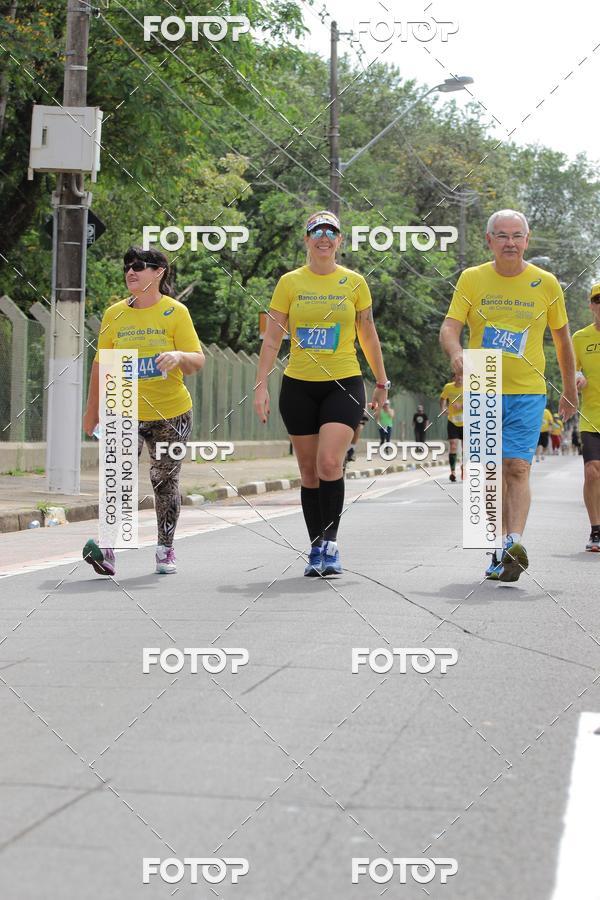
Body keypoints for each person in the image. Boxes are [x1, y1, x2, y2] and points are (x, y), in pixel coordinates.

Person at [440, 209, 577, 582]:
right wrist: (456, 352)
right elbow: (450, 327)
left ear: (527, 240)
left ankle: (513, 543)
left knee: (517, 467)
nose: (510, 243)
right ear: (489, 240)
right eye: (502, 236)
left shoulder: (546, 283)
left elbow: (563, 341)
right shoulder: (472, 278)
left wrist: (568, 390)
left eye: (517, 236)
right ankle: (497, 549)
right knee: (488, 473)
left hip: (528, 388)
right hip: (483, 380)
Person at [253, 210, 389, 577]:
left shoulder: (355, 283)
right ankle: (315, 547)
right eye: (317, 231)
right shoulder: (290, 282)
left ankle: (331, 544)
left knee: (330, 463)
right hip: (298, 385)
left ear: (340, 241)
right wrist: (261, 385)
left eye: (331, 231)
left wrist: (381, 381)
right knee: (309, 472)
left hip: (343, 382)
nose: (324, 237)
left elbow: (368, 334)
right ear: (307, 239)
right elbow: (272, 338)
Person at [82, 247, 205, 576]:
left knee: (164, 481)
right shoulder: (114, 314)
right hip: (123, 407)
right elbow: (101, 364)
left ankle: (165, 548)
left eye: (138, 266)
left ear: (159, 272)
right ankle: (108, 550)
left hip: (171, 413)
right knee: (117, 478)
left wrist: (178, 357)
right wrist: (91, 412)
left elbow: (197, 360)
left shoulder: (175, 312)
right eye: (127, 266)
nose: (130, 272)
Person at [572, 282, 600, 552]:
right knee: (592, 471)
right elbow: (573, 369)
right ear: (592, 306)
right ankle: (596, 531)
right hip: (591, 416)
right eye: (598, 300)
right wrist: (578, 378)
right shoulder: (580, 337)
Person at [440, 379, 463, 482]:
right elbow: (442, 398)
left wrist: (461, 406)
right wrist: (443, 408)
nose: (460, 378)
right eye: (458, 375)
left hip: (466, 422)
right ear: (455, 377)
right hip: (452, 421)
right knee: (453, 445)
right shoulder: (448, 387)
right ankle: (453, 472)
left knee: (465, 448)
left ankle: (464, 467)